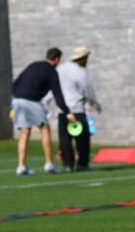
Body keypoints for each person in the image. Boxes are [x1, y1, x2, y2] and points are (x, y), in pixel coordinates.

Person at [11, 47, 75, 175]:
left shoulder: (33, 65)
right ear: (57, 59)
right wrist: (67, 111)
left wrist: (15, 100)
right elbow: (58, 94)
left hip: (17, 99)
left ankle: (21, 166)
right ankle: (49, 164)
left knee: (25, 132)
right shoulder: (52, 72)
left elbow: (15, 83)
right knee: (45, 128)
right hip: (31, 101)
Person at [56, 46, 102, 172]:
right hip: (77, 109)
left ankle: (68, 165)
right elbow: (88, 91)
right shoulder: (80, 71)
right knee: (82, 139)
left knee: (65, 139)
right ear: (83, 58)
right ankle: (82, 164)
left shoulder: (61, 69)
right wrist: (95, 105)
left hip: (62, 111)